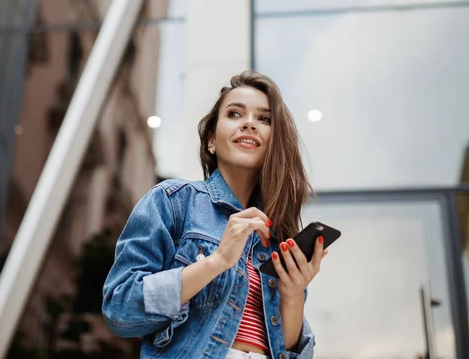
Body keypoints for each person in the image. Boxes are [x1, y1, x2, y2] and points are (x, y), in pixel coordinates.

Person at [102, 70, 328, 359]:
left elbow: (288, 349)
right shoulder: (174, 202)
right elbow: (120, 308)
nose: (249, 123)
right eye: (235, 114)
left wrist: (294, 295)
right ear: (211, 141)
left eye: (264, 119)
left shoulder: (278, 235)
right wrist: (218, 261)